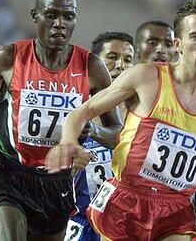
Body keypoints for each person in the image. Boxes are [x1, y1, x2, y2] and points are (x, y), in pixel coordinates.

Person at [45, 0, 196, 241]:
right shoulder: (146, 78)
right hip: (127, 201)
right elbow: (82, 112)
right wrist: (68, 142)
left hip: (177, 209)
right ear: (178, 43)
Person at [0, 0, 122, 241]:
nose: (60, 24)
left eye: (68, 16)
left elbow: (117, 132)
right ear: (35, 15)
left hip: (57, 182)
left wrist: (93, 130)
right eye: (52, 15)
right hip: (9, 174)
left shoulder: (91, 67)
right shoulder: (8, 57)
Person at [65, 31, 134, 241]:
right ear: (95, 64)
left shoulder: (145, 114)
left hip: (126, 222)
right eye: (112, 57)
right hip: (80, 220)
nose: (121, 65)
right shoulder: (72, 110)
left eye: (128, 60)